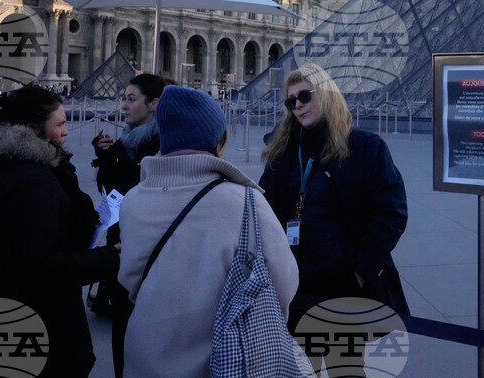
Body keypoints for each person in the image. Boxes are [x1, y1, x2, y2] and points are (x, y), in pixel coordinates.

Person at [118, 86, 298, 377]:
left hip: (145, 352)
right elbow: (283, 282)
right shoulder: (245, 202)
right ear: (218, 141)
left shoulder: (133, 200)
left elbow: (128, 279)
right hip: (221, 359)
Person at [259, 63, 408, 373]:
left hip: (343, 288)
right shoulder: (283, 152)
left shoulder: (364, 148)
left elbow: (391, 213)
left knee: (346, 369)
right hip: (294, 286)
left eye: (305, 96)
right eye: (291, 101)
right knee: (299, 370)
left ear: (326, 95)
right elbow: (263, 209)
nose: (298, 105)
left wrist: (358, 272)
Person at [0, 87, 119, 377]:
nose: (66, 132)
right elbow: (39, 267)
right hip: (38, 324)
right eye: (60, 124)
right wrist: (109, 256)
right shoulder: (33, 182)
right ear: (34, 129)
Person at [90, 74, 163, 377]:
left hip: (146, 247)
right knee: (121, 323)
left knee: (141, 328)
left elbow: (137, 188)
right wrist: (106, 156)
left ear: (154, 104)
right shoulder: (131, 137)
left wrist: (117, 155)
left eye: (132, 99)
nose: (124, 105)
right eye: (124, 97)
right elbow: (109, 189)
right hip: (120, 240)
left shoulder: (161, 143)